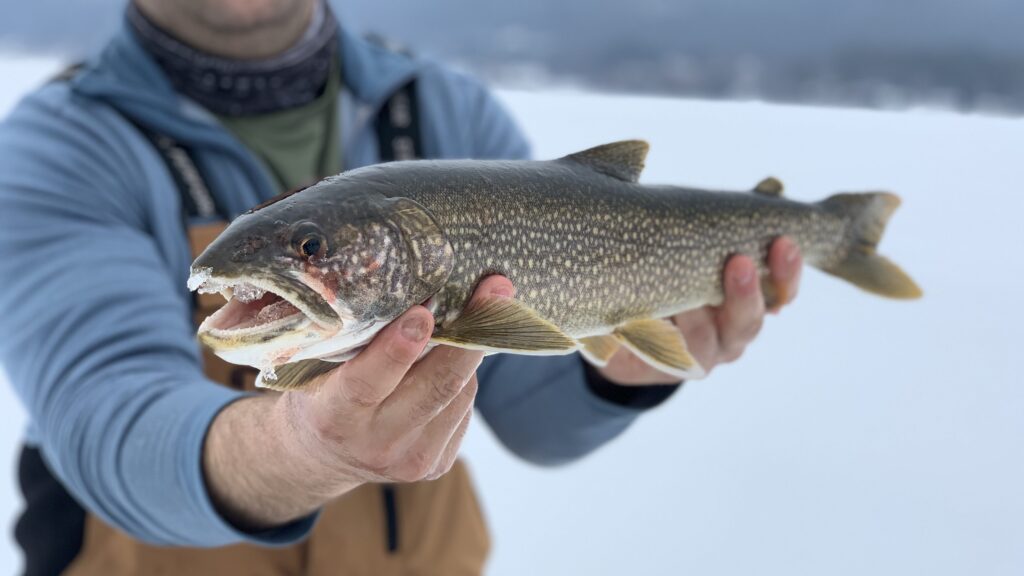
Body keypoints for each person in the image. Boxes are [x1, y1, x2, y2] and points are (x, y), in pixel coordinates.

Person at [0, 0, 803, 574]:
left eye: (310, 247)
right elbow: (110, 422)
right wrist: (299, 450)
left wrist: (626, 370)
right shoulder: (57, 149)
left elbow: (537, 416)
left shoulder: (446, 115)